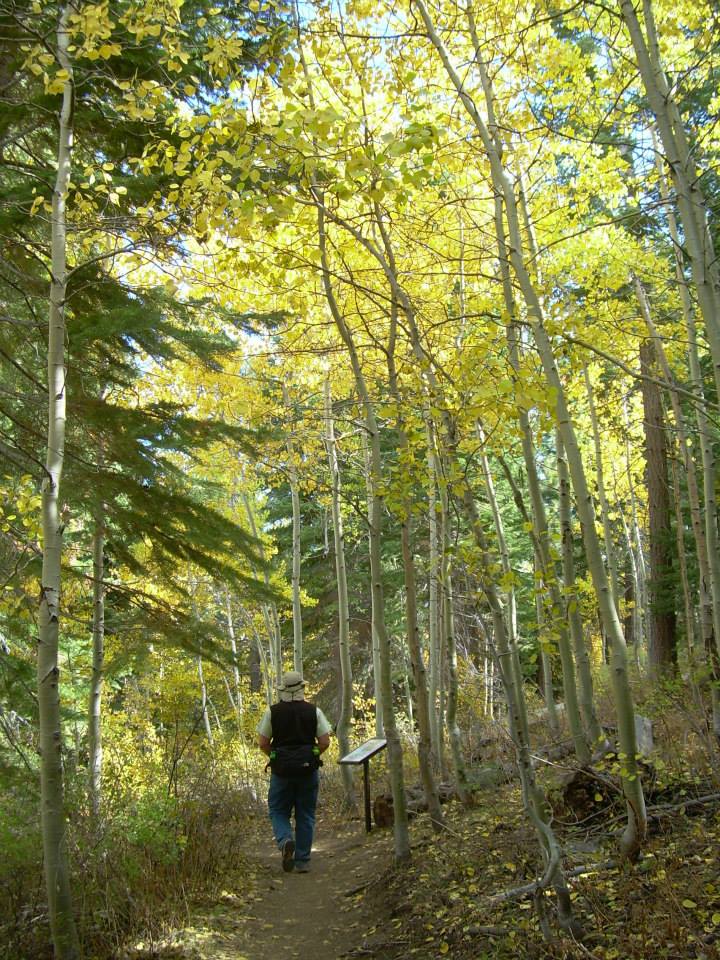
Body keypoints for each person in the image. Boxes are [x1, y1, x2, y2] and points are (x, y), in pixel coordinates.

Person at [257, 671, 331, 873]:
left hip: (281, 771)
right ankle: (303, 861)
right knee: (305, 814)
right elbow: (325, 741)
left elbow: (263, 742)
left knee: (278, 810)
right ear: (302, 688)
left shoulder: (272, 712)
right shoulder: (314, 711)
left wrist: (274, 756)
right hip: (308, 770)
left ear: (283, 690)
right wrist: (314, 752)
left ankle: (285, 840)